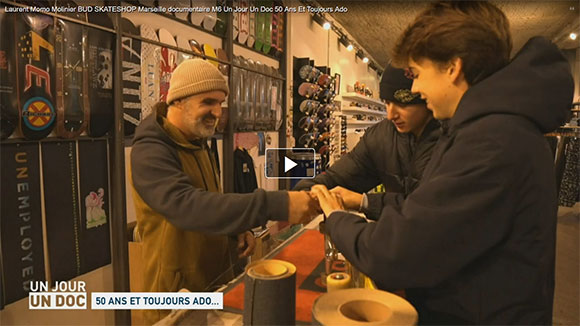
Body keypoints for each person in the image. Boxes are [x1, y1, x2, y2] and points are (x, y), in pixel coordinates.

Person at [311, 1, 574, 324]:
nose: (417, 87)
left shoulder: (493, 141)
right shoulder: (488, 131)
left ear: (453, 67)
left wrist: (337, 218)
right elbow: (429, 216)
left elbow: (398, 253)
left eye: (417, 74)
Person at [130, 59, 318, 324]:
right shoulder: (150, 151)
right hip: (173, 301)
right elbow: (187, 207)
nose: (217, 112)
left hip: (212, 284)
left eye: (220, 103)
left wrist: (237, 228)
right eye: (208, 102)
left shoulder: (198, 141)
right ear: (178, 101)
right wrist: (278, 204)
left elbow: (211, 200)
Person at [294, 64, 440, 220]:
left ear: (426, 99)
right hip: (395, 238)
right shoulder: (380, 137)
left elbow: (433, 209)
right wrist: (306, 193)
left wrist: (364, 202)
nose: (391, 115)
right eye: (387, 103)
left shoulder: (454, 140)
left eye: (402, 104)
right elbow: (339, 177)